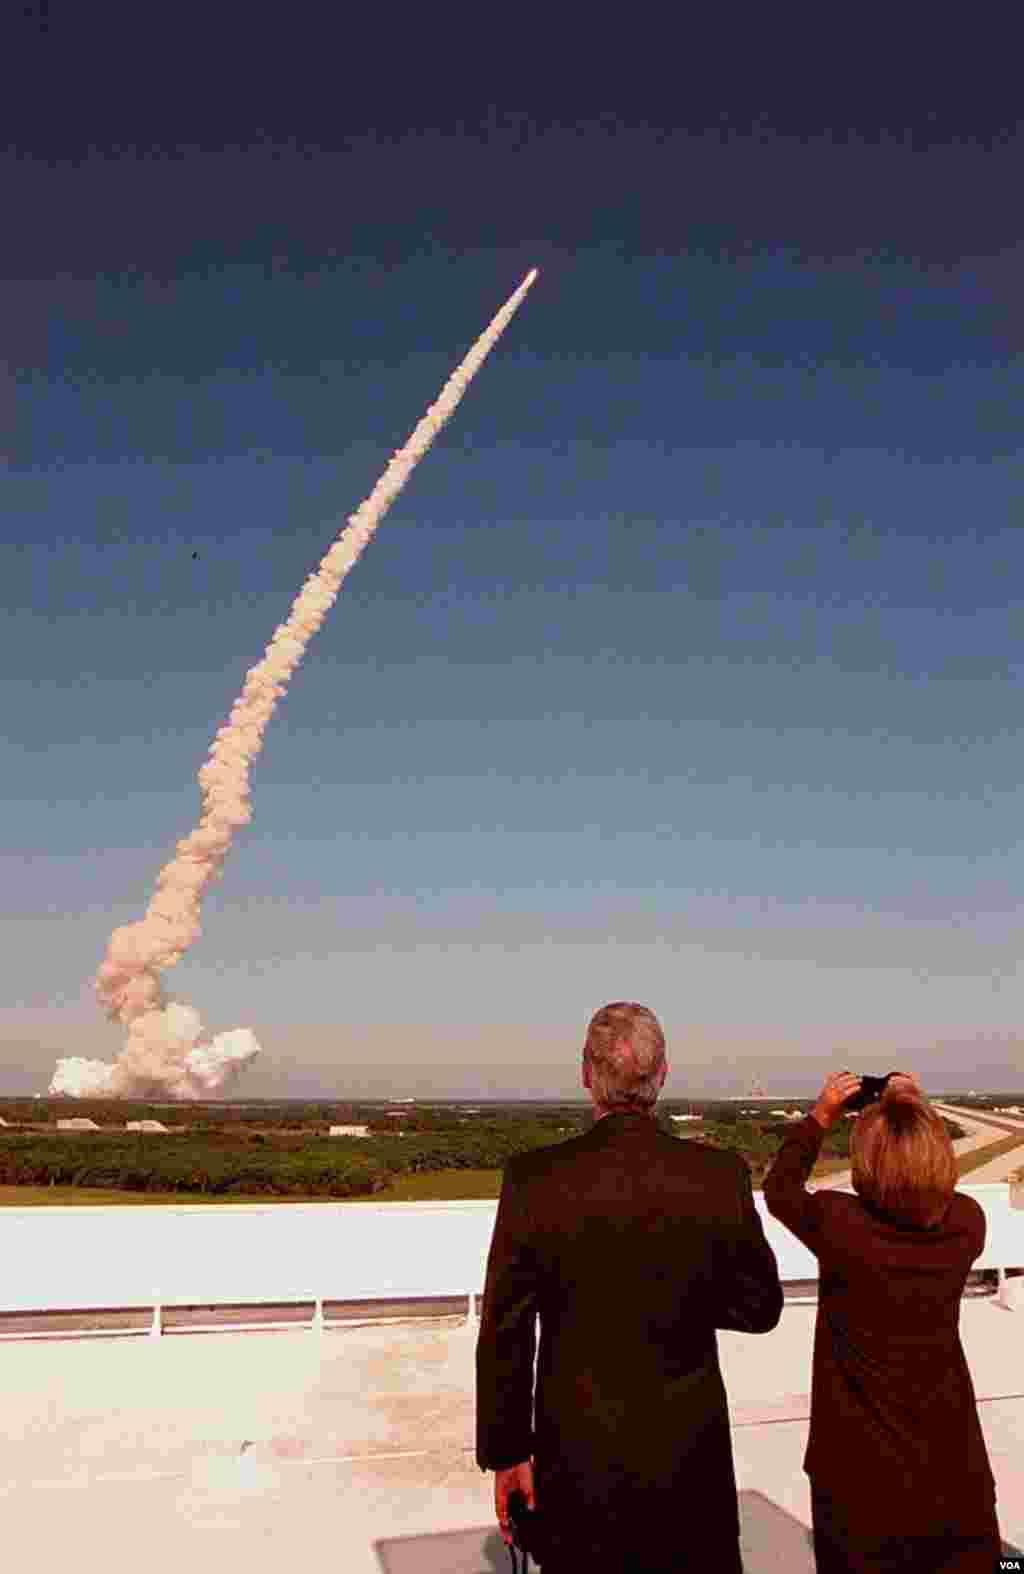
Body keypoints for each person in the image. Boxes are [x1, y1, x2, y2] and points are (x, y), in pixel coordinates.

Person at [475, 1002, 1001, 1573]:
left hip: (577, 1456)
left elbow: (505, 1328)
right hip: (689, 1457)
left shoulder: (534, 1179)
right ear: (663, 1074)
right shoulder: (717, 1174)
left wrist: (508, 1453)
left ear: (585, 1073)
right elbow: (760, 1307)